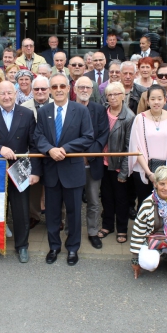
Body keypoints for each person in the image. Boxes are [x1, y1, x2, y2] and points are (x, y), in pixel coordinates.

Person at [0, 81, 41, 263]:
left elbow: (34, 145)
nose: (6, 97)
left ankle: (22, 246)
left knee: (21, 210)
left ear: (15, 94)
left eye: (9, 93)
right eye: (2, 93)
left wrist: (35, 171)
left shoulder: (26, 114)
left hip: (20, 169)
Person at [34, 73, 94, 266]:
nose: (58, 89)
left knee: (74, 212)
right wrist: (50, 149)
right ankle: (54, 246)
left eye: (62, 86)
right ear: (50, 90)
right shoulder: (44, 111)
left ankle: (73, 248)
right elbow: (38, 137)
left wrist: (65, 149)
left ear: (69, 88)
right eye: (54, 87)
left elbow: (88, 137)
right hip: (51, 171)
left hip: (72, 171)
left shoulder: (80, 110)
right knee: (52, 213)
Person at [128, 85, 167, 208]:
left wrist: (165, 172)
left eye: (159, 98)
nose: (156, 102)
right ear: (147, 101)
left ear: (165, 99)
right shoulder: (140, 119)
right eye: (152, 99)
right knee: (145, 205)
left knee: (165, 206)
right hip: (143, 169)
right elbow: (136, 148)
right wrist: (149, 173)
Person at [74, 77, 109, 250]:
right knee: (71, 202)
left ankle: (93, 232)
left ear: (93, 90)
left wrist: (88, 154)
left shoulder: (99, 109)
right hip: (71, 162)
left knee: (94, 201)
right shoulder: (68, 107)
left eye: (88, 87)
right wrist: (77, 154)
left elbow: (103, 134)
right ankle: (71, 232)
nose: (85, 90)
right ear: (75, 89)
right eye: (81, 87)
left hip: (92, 162)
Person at [99, 82, 134, 244]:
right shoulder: (103, 112)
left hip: (119, 166)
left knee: (121, 199)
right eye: (109, 95)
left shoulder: (129, 117)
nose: (112, 98)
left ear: (123, 95)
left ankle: (121, 229)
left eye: (116, 94)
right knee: (106, 197)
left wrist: (124, 172)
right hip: (104, 164)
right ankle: (107, 225)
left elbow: (129, 147)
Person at [21, 76, 53, 228]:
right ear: (32, 90)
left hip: (53, 153)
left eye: (43, 89)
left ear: (49, 90)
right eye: (36, 89)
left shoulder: (57, 104)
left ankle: (57, 217)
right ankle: (33, 215)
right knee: (32, 186)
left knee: (55, 186)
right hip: (32, 153)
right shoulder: (24, 106)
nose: (40, 92)